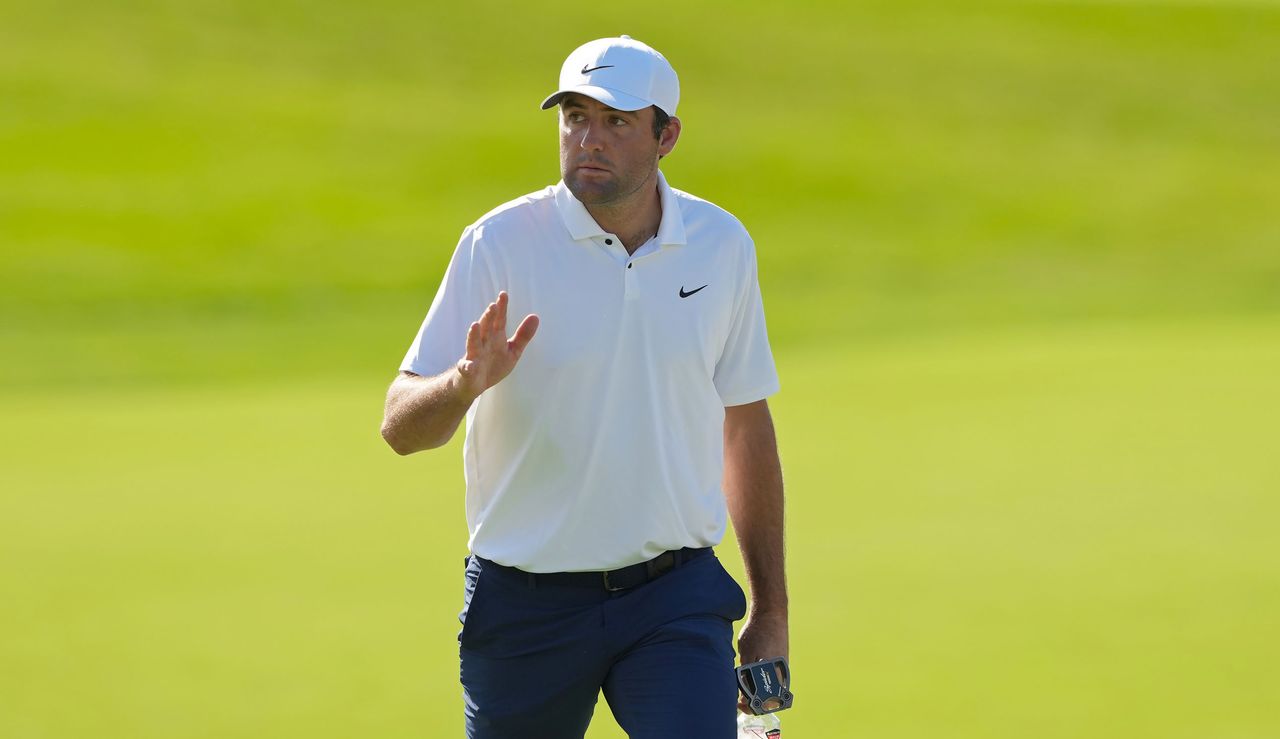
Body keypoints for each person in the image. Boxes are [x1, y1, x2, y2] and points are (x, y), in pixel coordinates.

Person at [380, 35, 787, 739]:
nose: (587, 139)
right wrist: (462, 383)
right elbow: (400, 427)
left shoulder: (722, 246)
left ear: (668, 136)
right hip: (525, 604)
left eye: (616, 121)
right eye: (573, 117)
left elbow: (744, 424)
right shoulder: (498, 243)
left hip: (674, 598)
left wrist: (771, 611)